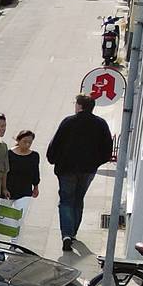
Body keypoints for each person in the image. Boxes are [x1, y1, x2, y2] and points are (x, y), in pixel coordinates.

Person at [46, 94, 114, 252]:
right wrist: (96, 162)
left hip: (67, 169)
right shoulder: (101, 124)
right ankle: (73, 232)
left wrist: (53, 159)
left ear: (79, 106)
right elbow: (107, 149)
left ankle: (67, 234)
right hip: (88, 170)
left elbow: (55, 143)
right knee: (78, 198)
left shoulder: (69, 122)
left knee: (66, 200)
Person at [7, 130, 41, 204]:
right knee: (6, 215)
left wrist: (36, 187)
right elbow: (3, 172)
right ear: (18, 140)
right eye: (24, 141)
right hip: (8, 190)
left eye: (30, 142)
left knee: (20, 214)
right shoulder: (9, 154)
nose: (27, 144)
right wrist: (3, 188)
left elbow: (35, 172)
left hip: (25, 192)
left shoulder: (34, 156)